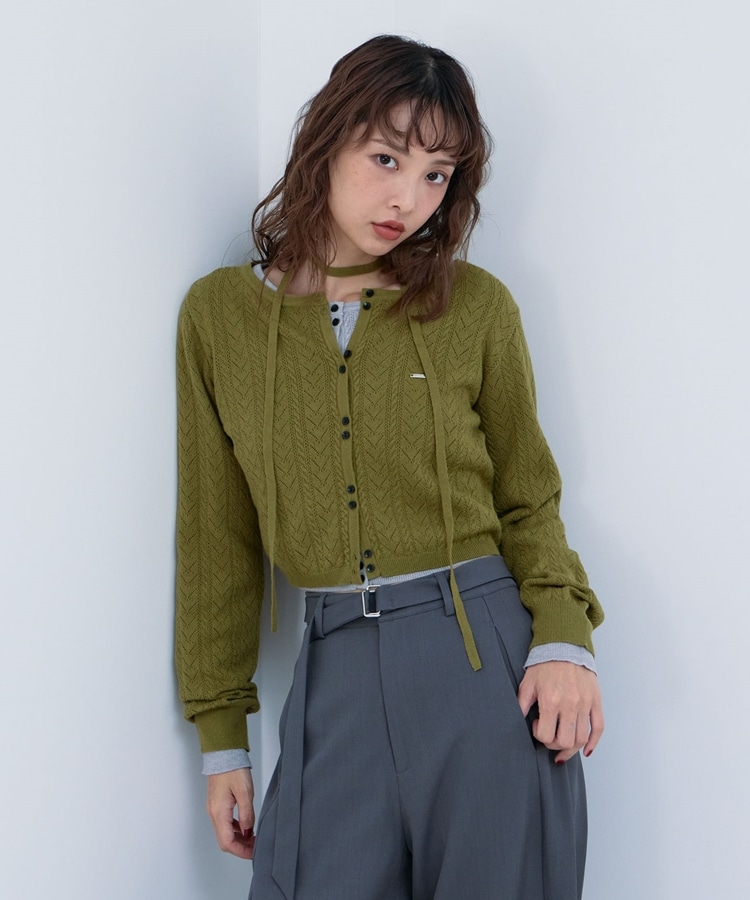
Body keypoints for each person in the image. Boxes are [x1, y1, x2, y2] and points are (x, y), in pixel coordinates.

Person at [175, 34, 604, 900]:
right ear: (325, 139)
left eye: (438, 174)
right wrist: (223, 740)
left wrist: (565, 638)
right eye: (386, 159)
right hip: (332, 671)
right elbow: (216, 538)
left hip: (482, 658)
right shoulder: (219, 319)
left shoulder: (474, 307)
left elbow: (528, 497)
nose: (409, 198)